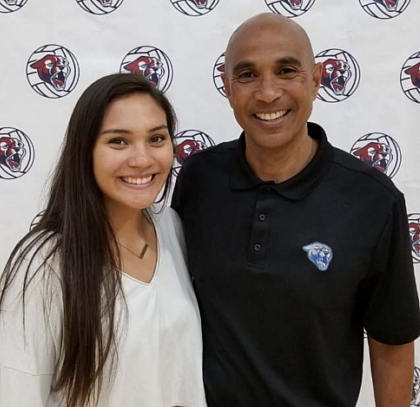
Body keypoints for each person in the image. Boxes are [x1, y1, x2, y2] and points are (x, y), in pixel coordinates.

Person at [172, 13, 420, 407]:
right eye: (247, 75)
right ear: (227, 87)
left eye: (286, 71)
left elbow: (392, 342)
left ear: (316, 80)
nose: (268, 93)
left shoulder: (373, 200)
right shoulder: (198, 179)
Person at [0, 73, 207, 407]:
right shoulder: (45, 262)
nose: (142, 159)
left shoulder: (172, 227)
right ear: (85, 151)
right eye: (119, 142)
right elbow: (15, 391)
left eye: (156, 138)